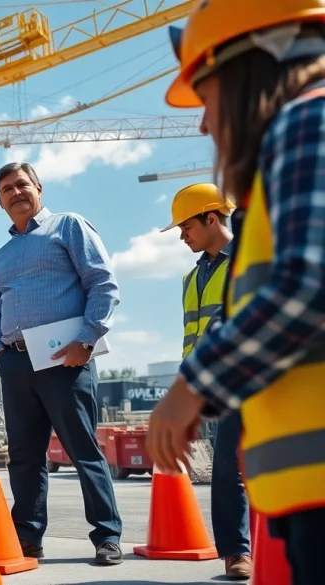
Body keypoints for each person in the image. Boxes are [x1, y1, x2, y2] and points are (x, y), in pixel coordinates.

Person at [149, 5, 325, 583]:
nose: (204, 124)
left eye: (207, 94)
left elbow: (309, 286)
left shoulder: (308, 120)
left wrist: (194, 387)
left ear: (254, 64)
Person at [0, 161, 123, 565]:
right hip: (16, 363)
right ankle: (27, 538)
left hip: (66, 360)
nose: (16, 193)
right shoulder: (0, 256)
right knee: (24, 456)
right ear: (0, 202)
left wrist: (87, 338)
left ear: (39, 188)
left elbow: (103, 283)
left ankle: (107, 535)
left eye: (22, 184)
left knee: (83, 450)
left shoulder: (68, 226)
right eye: (7, 189)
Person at [161, 183, 250, 579]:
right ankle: (236, 552)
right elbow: (192, 337)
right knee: (226, 468)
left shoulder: (249, 261)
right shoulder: (190, 278)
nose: (182, 236)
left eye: (186, 227)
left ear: (211, 218)